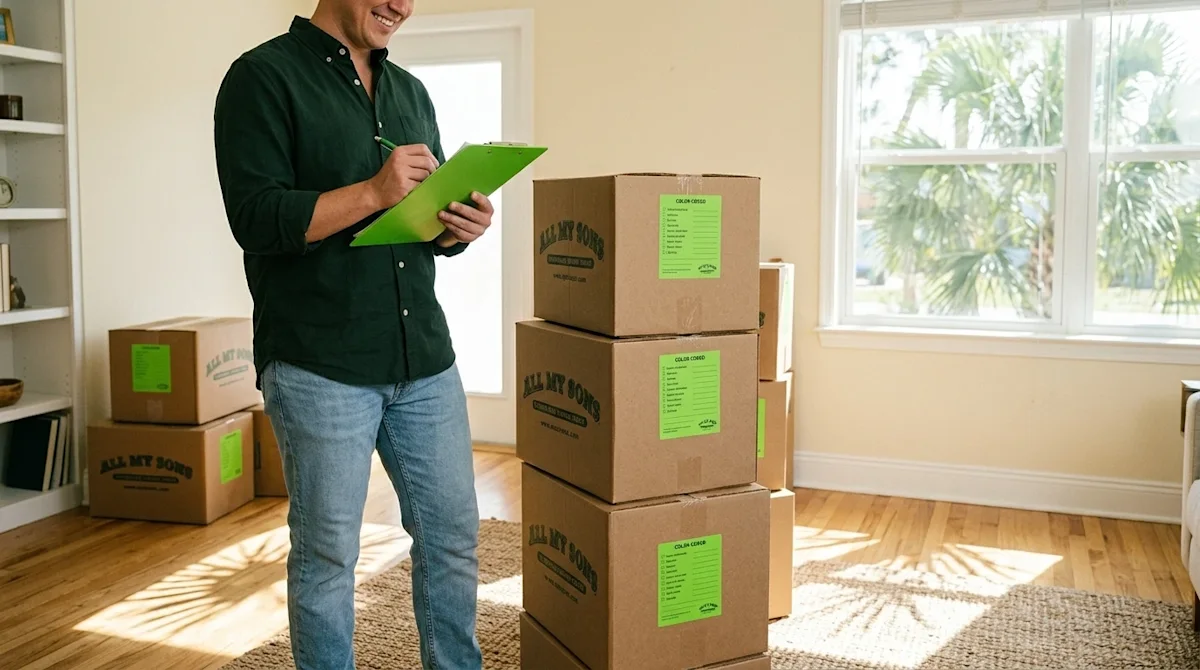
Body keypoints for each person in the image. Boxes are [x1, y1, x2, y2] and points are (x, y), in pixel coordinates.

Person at [212, 1, 488, 668]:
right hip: (318, 362)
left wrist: (457, 227)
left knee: (452, 537)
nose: (402, 4)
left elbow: (419, 218)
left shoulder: (411, 92)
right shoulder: (262, 77)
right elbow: (256, 218)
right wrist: (372, 191)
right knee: (329, 553)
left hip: (421, 354)